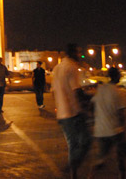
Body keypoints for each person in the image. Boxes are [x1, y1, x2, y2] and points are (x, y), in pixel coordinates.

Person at [52, 44, 92, 179]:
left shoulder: (56, 68)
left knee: (72, 144)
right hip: (74, 112)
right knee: (86, 141)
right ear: (73, 53)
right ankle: (73, 164)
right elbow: (77, 90)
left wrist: (58, 106)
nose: (80, 55)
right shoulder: (72, 67)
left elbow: (53, 92)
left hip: (62, 114)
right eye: (78, 52)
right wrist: (90, 99)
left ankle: (73, 173)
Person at [89, 67, 126, 179]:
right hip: (114, 130)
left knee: (100, 159)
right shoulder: (116, 92)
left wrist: (94, 119)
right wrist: (124, 128)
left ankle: (91, 176)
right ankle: (121, 175)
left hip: (100, 130)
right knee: (121, 154)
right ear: (116, 76)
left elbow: (92, 104)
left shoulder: (101, 89)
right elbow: (121, 113)